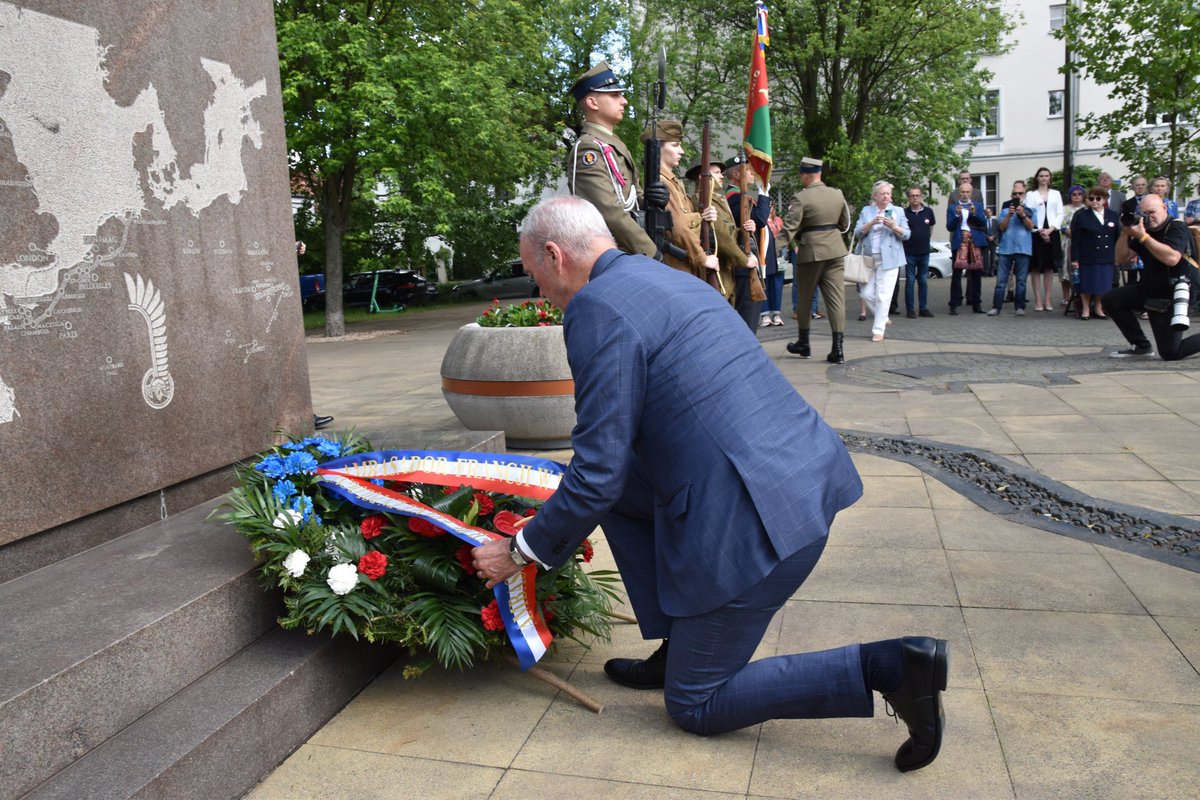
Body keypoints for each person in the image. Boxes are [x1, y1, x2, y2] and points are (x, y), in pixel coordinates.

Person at [472, 195, 950, 773]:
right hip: (799, 478)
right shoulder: (659, 275)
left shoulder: (596, 309)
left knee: (696, 703)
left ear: (554, 255)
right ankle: (681, 645)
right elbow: (612, 474)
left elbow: (594, 471)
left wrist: (519, 550)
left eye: (534, 274)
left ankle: (890, 668)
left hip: (760, 525)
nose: (539, 290)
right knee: (623, 495)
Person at [566, 62, 661, 258]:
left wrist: (650, 200)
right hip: (613, 256)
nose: (624, 101)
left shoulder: (613, 144)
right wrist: (650, 251)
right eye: (615, 95)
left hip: (628, 253)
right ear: (593, 103)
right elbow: (609, 211)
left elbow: (631, 196)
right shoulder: (589, 149)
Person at [1104, 194, 1200, 360]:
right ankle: (1141, 346)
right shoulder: (1144, 229)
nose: (1148, 217)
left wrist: (1143, 237)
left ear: (1164, 208)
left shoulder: (1176, 227)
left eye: (1152, 212)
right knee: (1112, 299)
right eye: (1144, 213)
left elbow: (1172, 259)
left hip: (1174, 293)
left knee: (1171, 353)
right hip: (1149, 288)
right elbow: (1120, 259)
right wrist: (1125, 233)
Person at [776, 157, 852, 363]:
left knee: (804, 299)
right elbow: (844, 224)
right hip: (835, 251)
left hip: (812, 253)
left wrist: (771, 250)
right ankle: (838, 350)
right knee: (836, 301)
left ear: (805, 174)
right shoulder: (837, 194)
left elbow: (789, 229)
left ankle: (804, 343)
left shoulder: (801, 198)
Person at [644, 120, 719, 282]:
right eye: (675, 145)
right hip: (676, 268)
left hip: (685, 265)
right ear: (658, 147)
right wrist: (702, 258)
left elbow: (687, 218)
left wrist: (703, 215)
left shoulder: (674, 182)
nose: (682, 151)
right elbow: (678, 228)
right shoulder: (662, 183)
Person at [710, 158, 765, 330]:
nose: (752, 175)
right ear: (736, 174)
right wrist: (764, 193)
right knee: (747, 317)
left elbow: (743, 227)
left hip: (745, 260)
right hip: (740, 262)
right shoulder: (734, 198)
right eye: (748, 171)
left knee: (749, 314)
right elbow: (761, 218)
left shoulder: (733, 197)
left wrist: (748, 227)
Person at [854, 181, 911, 341]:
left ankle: (878, 330)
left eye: (888, 193)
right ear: (875, 196)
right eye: (883, 193)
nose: (886, 196)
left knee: (883, 295)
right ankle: (883, 315)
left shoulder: (898, 211)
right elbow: (858, 232)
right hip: (869, 258)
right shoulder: (867, 211)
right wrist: (871, 223)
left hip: (891, 258)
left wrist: (894, 226)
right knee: (865, 293)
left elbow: (907, 235)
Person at [1069, 187, 1120, 320]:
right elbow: (1076, 239)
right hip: (1087, 255)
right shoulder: (1082, 215)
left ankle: (1098, 307)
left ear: (1104, 199)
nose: (1095, 201)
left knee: (1103, 284)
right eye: (1091, 198)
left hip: (1106, 255)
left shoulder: (1113, 215)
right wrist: (1074, 258)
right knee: (1087, 284)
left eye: (1098, 198)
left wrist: (1118, 255)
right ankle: (1085, 308)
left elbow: (1117, 237)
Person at [946, 181, 987, 314]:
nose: (965, 194)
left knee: (976, 275)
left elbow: (983, 223)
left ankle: (977, 304)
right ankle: (954, 304)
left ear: (971, 193)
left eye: (967, 192)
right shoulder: (953, 208)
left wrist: (975, 213)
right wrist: (957, 215)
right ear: (959, 193)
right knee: (956, 275)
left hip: (974, 241)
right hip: (959, 241)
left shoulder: (978, 206)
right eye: (962, 192)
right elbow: (949, 227)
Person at [1026, 167, 1063, 312]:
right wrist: (1040, 229)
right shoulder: (1031, 194)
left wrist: (1051, 228)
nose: (1044, 178)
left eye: (1046, 176)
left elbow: (1060, 213)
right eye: (1041, 176)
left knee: (1049, 267)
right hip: (1036, 232)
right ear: (1037, 178)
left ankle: (1047, 299)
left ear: (1049, 178)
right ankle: (1038, 300)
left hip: (1052, 231)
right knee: (1036, 267)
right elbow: (1028, 214)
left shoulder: (1056, 193)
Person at [902, 186, 936, 318]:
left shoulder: (928, 211)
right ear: (909, 198)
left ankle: (923, 308)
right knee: (910, 280)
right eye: (912, 196)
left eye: (917, 195)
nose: (915, 198)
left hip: (924, 251)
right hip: (909, 251)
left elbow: (931, 227)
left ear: (921, 196)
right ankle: (910, 309)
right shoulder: (904, 213)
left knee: (923, 280)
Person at [1060, 185, 1085, 307]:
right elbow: (1062, 226)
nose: (1076, 196)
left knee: (1080, 270)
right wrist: (1073, 235)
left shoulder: (1086, 209)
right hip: (1067, 243)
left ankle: (1080, 296)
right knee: (1066, 271)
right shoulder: (1064, 209)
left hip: (1082, 243)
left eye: (1079, 194)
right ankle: (1066, 297)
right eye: (1074, 194)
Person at [982, 207, 998, 276]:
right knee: (985, 257)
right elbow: (982, 231)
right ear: (985, 214)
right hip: (986, 241)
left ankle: (992, 271)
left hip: (993, 241)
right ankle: (986, 271)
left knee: (993, 257)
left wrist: (993, 236)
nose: (988, 214)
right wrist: (987, 237)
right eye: (987, 212)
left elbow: (998, 231)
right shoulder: (983, 222)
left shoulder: (995, 221)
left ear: (991, 213)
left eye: (989, 212)